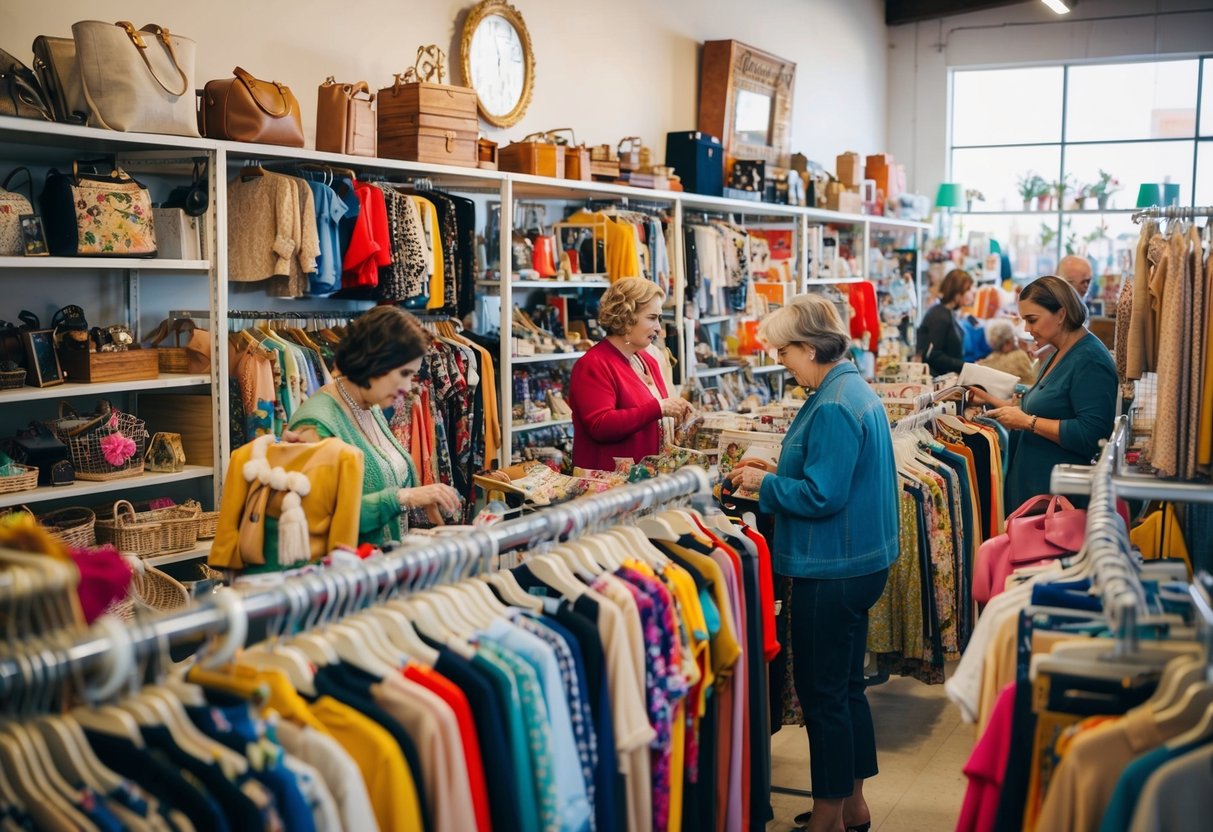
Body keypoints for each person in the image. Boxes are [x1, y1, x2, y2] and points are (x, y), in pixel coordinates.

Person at [727, 294, 899, 832]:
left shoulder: (831, 403)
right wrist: (777, 466)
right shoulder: (848, 388)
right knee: (847, 688)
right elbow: (829, 471)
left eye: (785, 352)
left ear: (809, 347)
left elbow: (822, 495)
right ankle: (852, 804)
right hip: (858, 563)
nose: (782, 362)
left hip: (831, 566)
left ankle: (827, 815)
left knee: (824, 696)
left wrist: (765, 485)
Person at [287, 305, 461, 544]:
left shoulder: (370, 406)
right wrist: (403, 498)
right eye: (404, 373)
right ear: (377, 361)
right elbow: (315, 517)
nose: (409, 385)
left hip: (378, 568)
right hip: (341, 574)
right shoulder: (315, 424)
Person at [968, 275, 1116, 513]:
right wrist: (989, 400)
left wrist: (1028, 422)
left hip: (1057, 503)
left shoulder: (1089, 359)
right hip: (1037, 492)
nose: (1027, 329)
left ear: (1061, 314)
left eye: (1032, 320)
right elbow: (1045, 404)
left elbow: (1092, 434)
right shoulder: (1060, 352)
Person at [569, 277, 691, 470]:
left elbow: (649, 419)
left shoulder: (647, 360)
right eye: (652, 318)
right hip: (608, 490)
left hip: (644, 484)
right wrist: (659, 408)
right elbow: (601, 426)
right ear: (626, 318)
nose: (659, 328)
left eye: (659, 318)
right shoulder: (593, 364)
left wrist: (674, 421)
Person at [916, 269, 975, 376]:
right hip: (939, 382)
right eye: (969, 289)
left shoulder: (946, 313)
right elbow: (933, 355)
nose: (972, 293)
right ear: (957, 292)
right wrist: (966, 366)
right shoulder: (940, 316)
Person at [977, 319, 1038, 385]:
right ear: (1007, 343)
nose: (1016, 342)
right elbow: (1031, 382)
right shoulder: (1019, 356)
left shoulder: (989, 359)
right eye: (1014, 338)